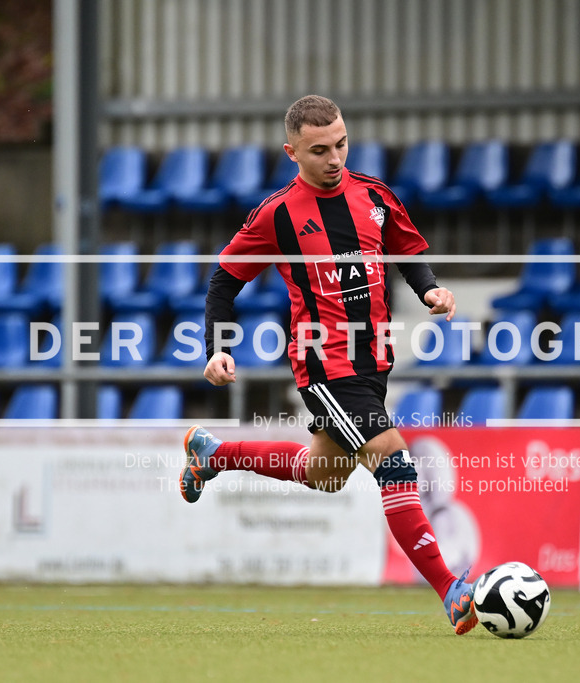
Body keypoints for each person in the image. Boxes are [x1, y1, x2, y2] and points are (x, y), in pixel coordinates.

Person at [180, 94, 477, 635]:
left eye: (341, 144)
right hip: (323, 364)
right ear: (291, 152)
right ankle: (449, 589)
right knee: (393, 459)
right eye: (320, 150)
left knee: (326, 474)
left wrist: (430, 290)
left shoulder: (374, 196)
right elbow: (224, 280)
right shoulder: (277, 214)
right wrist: (217, 347)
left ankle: (215, 454)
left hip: (374, 362)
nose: (335, 158)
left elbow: (408, 251)